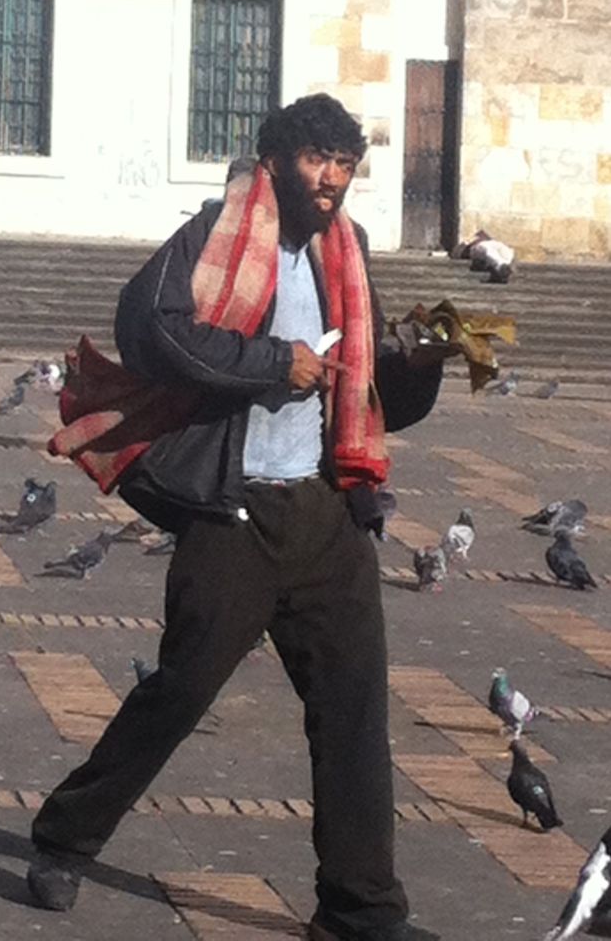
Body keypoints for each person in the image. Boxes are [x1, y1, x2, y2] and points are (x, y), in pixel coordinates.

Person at [26, 93, 449, 941]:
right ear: (276, 160)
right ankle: (64, 838)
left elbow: (367, 395)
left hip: (325, 511)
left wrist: (422, 363)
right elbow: (150, 330)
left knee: (353, 708)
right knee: (181, 691)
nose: (330, 180)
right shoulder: (216, 235)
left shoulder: (348, 251)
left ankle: (359, 910)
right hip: (235, 513)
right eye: (315, 160)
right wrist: (268, 365)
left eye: (344, 165)